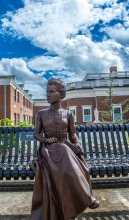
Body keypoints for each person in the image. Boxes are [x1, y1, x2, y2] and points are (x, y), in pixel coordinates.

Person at [29, 78, 99, 220]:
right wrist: (45, 140)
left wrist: (77, 143)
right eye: (47, 92)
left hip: (65, 148)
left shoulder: (68, 114)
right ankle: (87, 197)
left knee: (73, 160)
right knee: (64, 151)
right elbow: (36, 134)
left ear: (61, 95)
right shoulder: (41, 114)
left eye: (51, 92)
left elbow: (72, 134)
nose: (47, 95)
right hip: (48, 150)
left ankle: (75, 201)